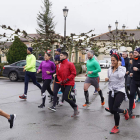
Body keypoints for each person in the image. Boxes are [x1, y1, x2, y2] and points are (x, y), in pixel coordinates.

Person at [105, 53, 129, 134]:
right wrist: (107, 79)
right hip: (112, 90)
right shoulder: (109, 69)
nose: (112, 62)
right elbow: (110, 78)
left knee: (115, 108)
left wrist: (118, 67)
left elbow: (120, 76)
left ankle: (116, 127)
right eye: (111, 60)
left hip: (120, 90)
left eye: (114, 60)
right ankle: (124, 111)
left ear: (118, 61)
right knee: (111, 109)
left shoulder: (123, 69)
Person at [56, 52, 79, 117]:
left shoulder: (70, 64)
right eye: (60, 55)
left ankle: (75, 107)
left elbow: (73, 73)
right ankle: (73, 101)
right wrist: (60, 80)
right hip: (62, 84)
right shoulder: (58, 65)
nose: (60, 56)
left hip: (69, 83)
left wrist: (67, 79)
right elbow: (58, 75)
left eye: (61, 55)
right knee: (67, 96)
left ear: (65, 56)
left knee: (66, 97)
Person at [129, 48, 140, 116]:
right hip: (134, 80)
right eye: (134, 52)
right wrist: (132, 73)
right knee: (131, 94)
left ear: (139, 53)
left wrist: (138, 69)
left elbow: (137, 69)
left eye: (135, 53)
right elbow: (132, 69)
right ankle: (130, 110)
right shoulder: (133, 60)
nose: (134, 54)